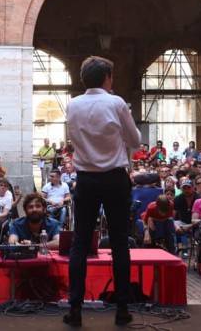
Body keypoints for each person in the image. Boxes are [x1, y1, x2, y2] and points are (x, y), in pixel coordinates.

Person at [64, 56, 140, 327]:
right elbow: (136, 141)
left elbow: (73, 138)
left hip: (86, 179)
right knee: (120, 242)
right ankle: (121, 309)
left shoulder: (72, 105)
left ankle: (75, 309)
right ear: (107, 78)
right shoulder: (116, 102)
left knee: (80, 243)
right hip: (115, 179)